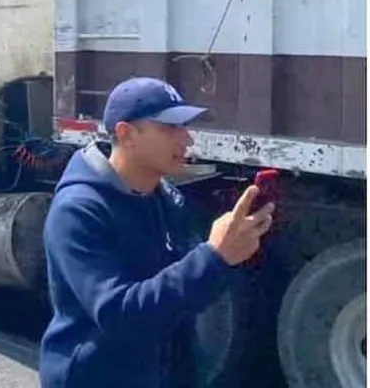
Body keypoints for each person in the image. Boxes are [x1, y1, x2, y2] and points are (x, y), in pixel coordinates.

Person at [39, 77, 275, 388]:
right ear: (126, 134)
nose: (186, 139)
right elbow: (120, 316)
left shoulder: (164, 198)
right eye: (169, 128)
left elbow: (181, 299)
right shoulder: (78, 211)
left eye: (184, 127)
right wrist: (213, 257)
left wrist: (231, 255)